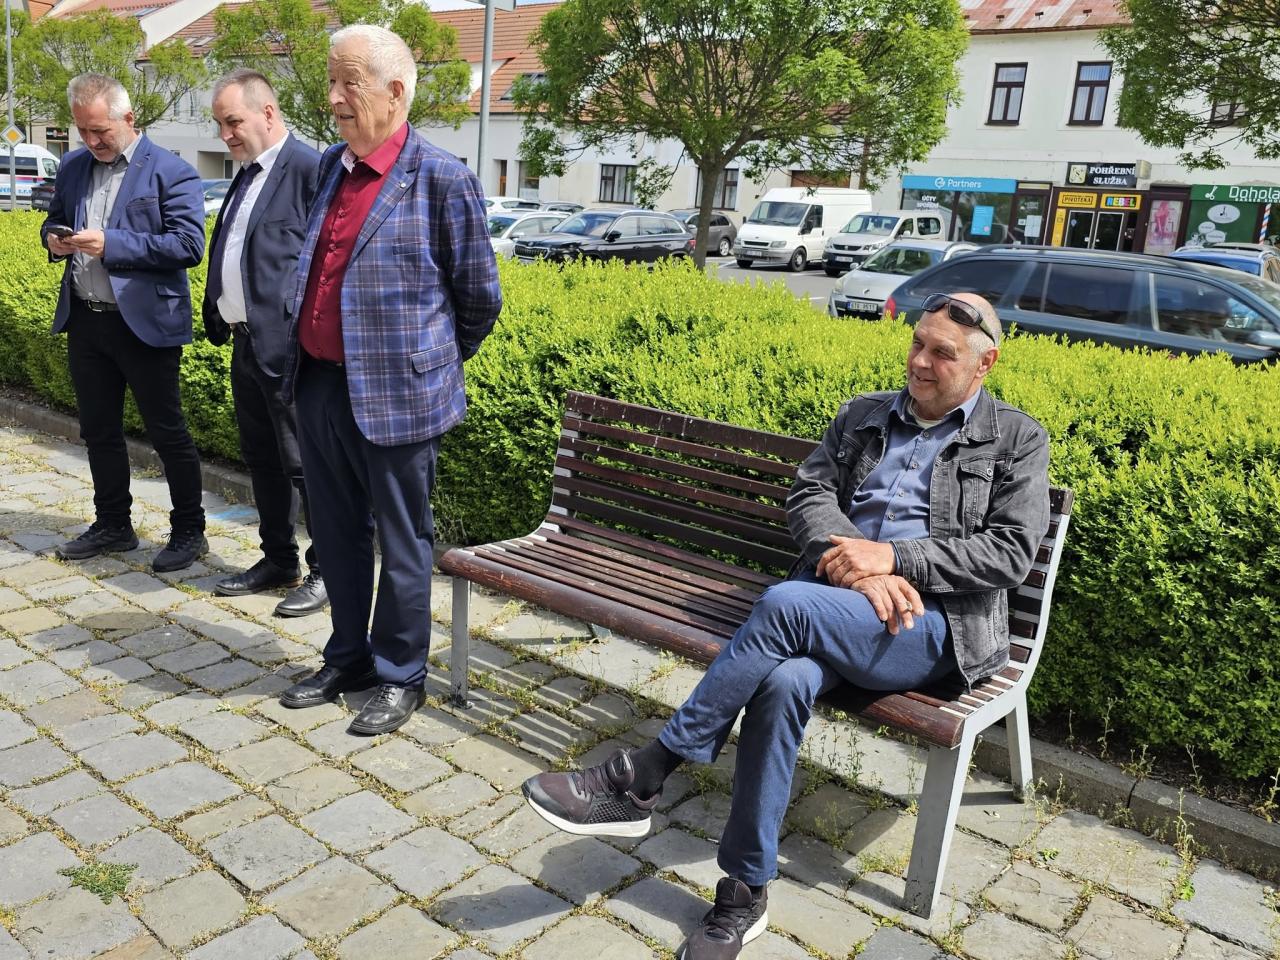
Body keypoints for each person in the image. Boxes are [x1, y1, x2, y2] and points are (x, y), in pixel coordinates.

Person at [522, 293, 1051, 960]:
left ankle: (644, 774)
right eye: (917, 343)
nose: (919, 361)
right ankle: (744, 892)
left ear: (984, 364)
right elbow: (809, 494)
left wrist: (894, 558)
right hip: (836, 601)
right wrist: (857, 569)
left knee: (784, 605)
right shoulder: (864, 414)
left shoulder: (1016, 439)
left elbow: (1008, 552)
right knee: (783, 683)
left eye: (941, 353)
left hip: (927, 624)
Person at [277, 25, 501, 735]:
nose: (333, 97)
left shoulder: (442, 178)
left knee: (403, 543)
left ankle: (402, 674)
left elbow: (479, 298)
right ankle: (347, 658)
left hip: (399, 398)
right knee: (336, 533)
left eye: (348, 82)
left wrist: (423, 365)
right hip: (319, 384)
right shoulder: (331, 166)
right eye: (332, 81)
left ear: (395, 91)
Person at [41, 74, 208, 572]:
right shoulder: (73, 166)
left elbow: (188, 245)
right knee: (98, 430)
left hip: (146, 325)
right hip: (86, 319)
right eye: (82, 131)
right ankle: (114, 524)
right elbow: (53, 217)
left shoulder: (172, 171)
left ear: (128, 118)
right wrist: (54, 239)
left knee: (167, 432)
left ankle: (189, 531)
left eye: (100, 131)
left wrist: (112, 243)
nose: (91, 141)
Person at [203, 70, 327, 617]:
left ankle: (327, 569)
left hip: (290, 350)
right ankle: (279, 558)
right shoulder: (248, 173)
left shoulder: (309, 169)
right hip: (246, 344)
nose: (225, 134)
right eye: (220, 124)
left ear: (268, 113)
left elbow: (325, 263)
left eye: (233, 121)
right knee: (263, 460)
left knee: (306, 465)